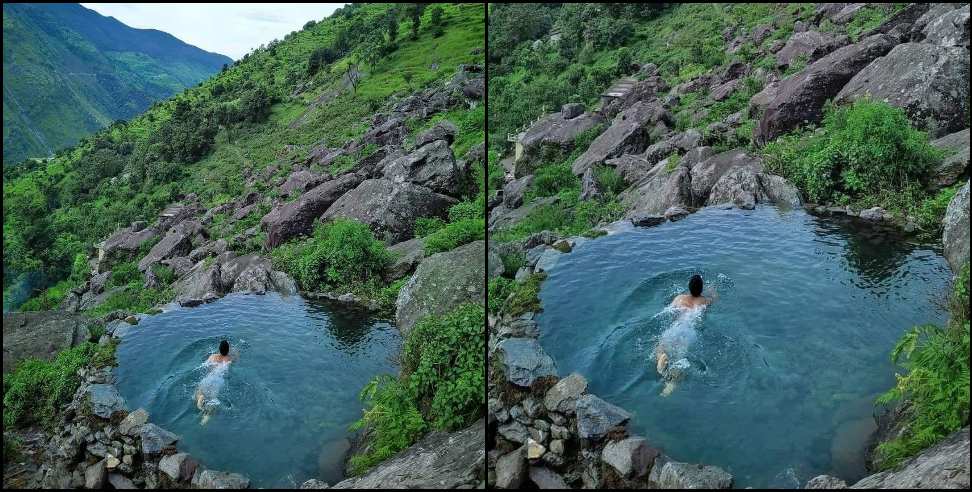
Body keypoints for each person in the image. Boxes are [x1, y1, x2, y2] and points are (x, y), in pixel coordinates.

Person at [655, 275, 715, 396]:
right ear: (701, 289)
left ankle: (661, 362)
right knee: (679, 358)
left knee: (660, 346)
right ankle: (671, 384)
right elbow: (714, 298)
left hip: (675, 328)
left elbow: (669, 311)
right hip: (688, 331)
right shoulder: (704, 301)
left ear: (688, 287)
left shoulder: (679, 298)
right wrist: (712, 290)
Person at [195, 340, 234, 424]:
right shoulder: (229, 358)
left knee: (199, 391)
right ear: (228, 350)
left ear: (219, 349)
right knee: (212, 400)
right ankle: (206, 417)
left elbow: (204, 366)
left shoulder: (212, 356)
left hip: (208, 377)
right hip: (218, 380)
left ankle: (200, 398)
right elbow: (236, 357)